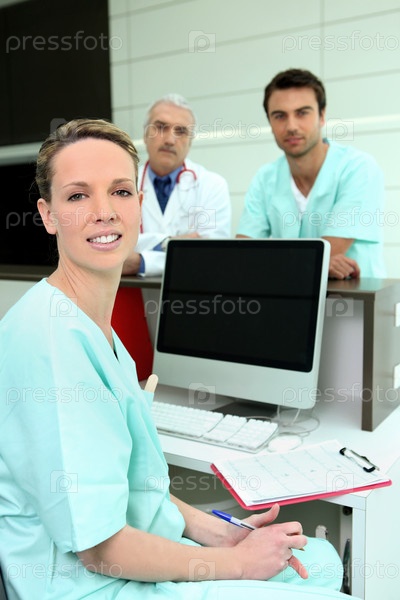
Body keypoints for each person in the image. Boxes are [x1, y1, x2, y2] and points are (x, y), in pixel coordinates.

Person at [0, 119, 348, 600]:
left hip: (127, 548)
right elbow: (99, 548)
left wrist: (220, 533)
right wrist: (236, 564)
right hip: (88, 583)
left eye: (120, 191)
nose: (104, 211)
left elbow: (133, 489)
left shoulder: (94, 328)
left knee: (322, 562)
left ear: (139, 206)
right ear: (48, 214)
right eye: (78, 196)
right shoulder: (52, 343)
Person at [237, 68, 386, 279]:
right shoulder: (265, 178)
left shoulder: (358, 168)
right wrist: (316, 262)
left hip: (353, 297)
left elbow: (326, 253)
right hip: (289, 296)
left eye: (302, 113)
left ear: (322, 116)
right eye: (279, 116)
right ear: (270, 122)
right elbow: (242, 256)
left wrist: (270, 261)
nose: (291, 126)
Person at [122, 93, 231, 277]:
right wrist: (174, 243)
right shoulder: (121, 185)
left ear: (190, 141)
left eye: (180, 131)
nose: (170, 140)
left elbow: (210, 254)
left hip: (191, 292)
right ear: (145, 134)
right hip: (133, 293)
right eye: (160, 127)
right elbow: (112, 246)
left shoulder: (212, 185)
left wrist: (141, 262)